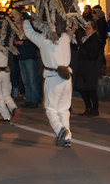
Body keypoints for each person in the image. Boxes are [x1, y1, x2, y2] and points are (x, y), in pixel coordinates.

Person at [23, 14, 73, 148]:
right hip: (67, 78)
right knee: (64, 109)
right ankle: (66, 138)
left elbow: (29, 33)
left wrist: (26, 20)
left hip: (53, 77)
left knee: (51, 109)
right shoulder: (65, 38)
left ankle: (60, 130)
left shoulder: (44, 39)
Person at [0, 40, 20, 123]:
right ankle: (13, 108)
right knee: (6, 94)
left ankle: (6, 117)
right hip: (6, 71)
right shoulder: (6, 43)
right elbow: (16, 51)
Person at [73, 21, 101, 116]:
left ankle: (95, 108)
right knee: (82, 88)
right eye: (86, 28)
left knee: (91, 89)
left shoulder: (94, 39)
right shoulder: (84, 39)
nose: (87, 30)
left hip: (90, 67)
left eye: (89, 28)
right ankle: (88, 107)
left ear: (94, 30)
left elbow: (93, 54)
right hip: (83, 67)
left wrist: (81, 51)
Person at [14, 33, 41, 108]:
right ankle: (28, 100)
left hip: (30, 58)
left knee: (32, 81)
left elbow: (35, 43)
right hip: (21, 58)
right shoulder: (17, 32)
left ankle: (34, 100)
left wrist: (23, 42)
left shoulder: (30, 32)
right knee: (25, 81)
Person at [92, 5, 107, 73]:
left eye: (94, 15)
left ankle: (102, 67)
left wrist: (99, 37)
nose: (93, 17)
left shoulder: (100, 22)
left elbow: (101, 31)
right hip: (99, 40)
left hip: (100, 40)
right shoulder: (99, 21)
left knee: (100, 53)